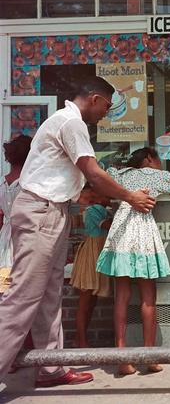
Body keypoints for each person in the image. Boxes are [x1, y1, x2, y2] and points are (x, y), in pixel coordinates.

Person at [0, 76, 157, 386]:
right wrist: (131, 196)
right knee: (23, 297)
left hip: (50, 211)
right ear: (95, 98)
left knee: (48, 296)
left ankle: (50, 368)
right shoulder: (71, 123)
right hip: (41, 212)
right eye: (107, 108)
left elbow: (84, 180)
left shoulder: (64, 121)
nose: (106, 114)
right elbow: (93, 173)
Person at [95, 147, 170, 376]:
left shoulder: (121, 174)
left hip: (120, 231)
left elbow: (101, 184)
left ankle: (122, 358)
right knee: (148, 297)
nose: (161, 164)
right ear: (150, 159)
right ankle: (149, 357)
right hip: (142, 232)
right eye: (159, 159)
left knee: (121, 295)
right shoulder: (161, 177)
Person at [69, 185, 114, 348]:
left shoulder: (101, 209)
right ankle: (81, 341)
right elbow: (108, 226)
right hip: (92, 256)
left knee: (91, 301)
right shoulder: (93, 209)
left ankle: (78, 339)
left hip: (98, 253)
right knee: (85, 300)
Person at [0, 135, 31, 292]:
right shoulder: (30, 184)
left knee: (4, 287)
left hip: (4, 239)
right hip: (26, 238)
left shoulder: (1, 183)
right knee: (22, 290)